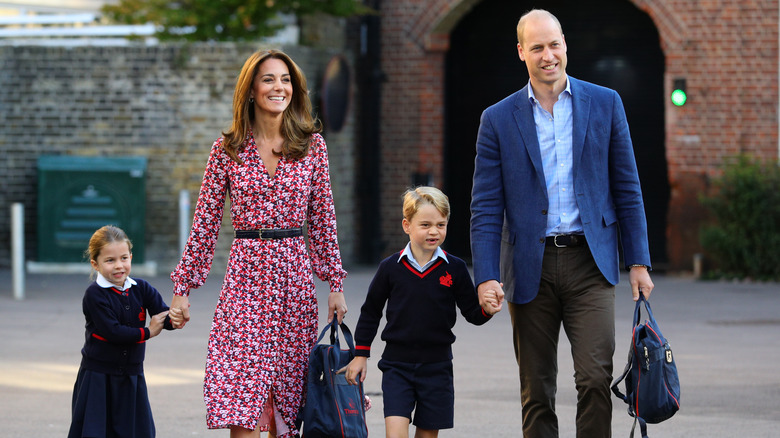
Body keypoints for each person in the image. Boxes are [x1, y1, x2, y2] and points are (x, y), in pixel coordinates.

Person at [469, 9, 655, 438]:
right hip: (528, 264)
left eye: (554, 45)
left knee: (594, 378)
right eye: (537, 47)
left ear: (565, 45)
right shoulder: (497, 119)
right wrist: (486, 277)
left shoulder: (605, 103)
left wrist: (639, 261)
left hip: (591, 263)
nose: (548, 55)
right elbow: (484, 206)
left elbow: (628, 188)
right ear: (521, 52)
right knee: (537, 389)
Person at [167, 49, 348, 438]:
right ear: (251, 88)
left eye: (285, 80)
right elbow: (205, 223)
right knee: (241, 399)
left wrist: (335, 284)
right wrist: (183, 288)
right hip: (245, 279)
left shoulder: (312, 147)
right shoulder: (227, 148)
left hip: (292, 282)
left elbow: (323, 221)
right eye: (268, 79)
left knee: (287, 398)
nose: (278, 87)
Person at [344, 186, 500, 438]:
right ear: (407, 225)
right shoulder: (389, 268)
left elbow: (472, 313)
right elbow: (371, 311)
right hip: (397, 366)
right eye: (425, 224)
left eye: (441, 224)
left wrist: (487, 310)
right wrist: (361, 355)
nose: (434, 231)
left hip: (437, 367)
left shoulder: (456, 269)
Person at [68, 225, 173, 438]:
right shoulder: (94, 295)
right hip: (98, 376)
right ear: (95, 264)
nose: (119, 266)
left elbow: (163, 315)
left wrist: (176, 317)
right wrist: (148, 333)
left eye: (124, 258)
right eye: (110, 260)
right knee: (96, 432)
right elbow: (113, 332)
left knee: (134, 432)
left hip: (132, 375)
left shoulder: (141, 288)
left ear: (131, 257)